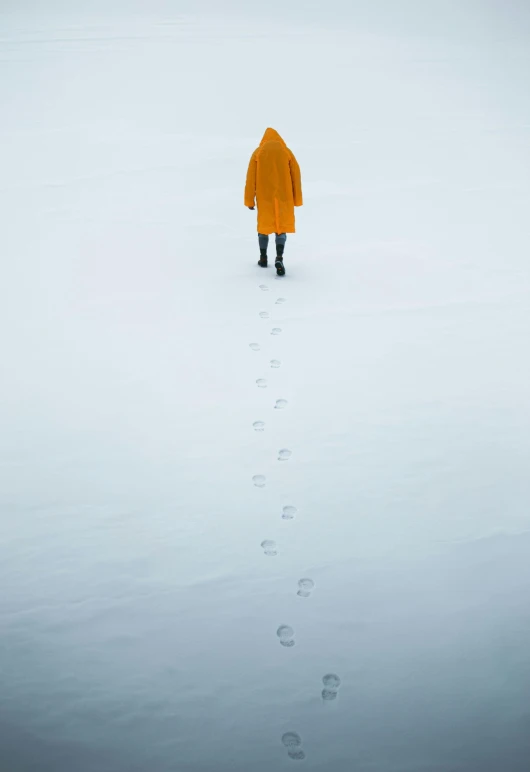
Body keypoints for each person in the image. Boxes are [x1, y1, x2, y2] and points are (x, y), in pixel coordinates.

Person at [244, 128, 303, 276]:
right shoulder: (286, 152)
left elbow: (250, 179)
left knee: (264, 226)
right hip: (284, 197)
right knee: (280, 226)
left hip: (264, 198)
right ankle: (279, 257)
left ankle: (263, 257)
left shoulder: (258, 153)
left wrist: (249, 200)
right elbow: (296, 175)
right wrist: (297, 199)